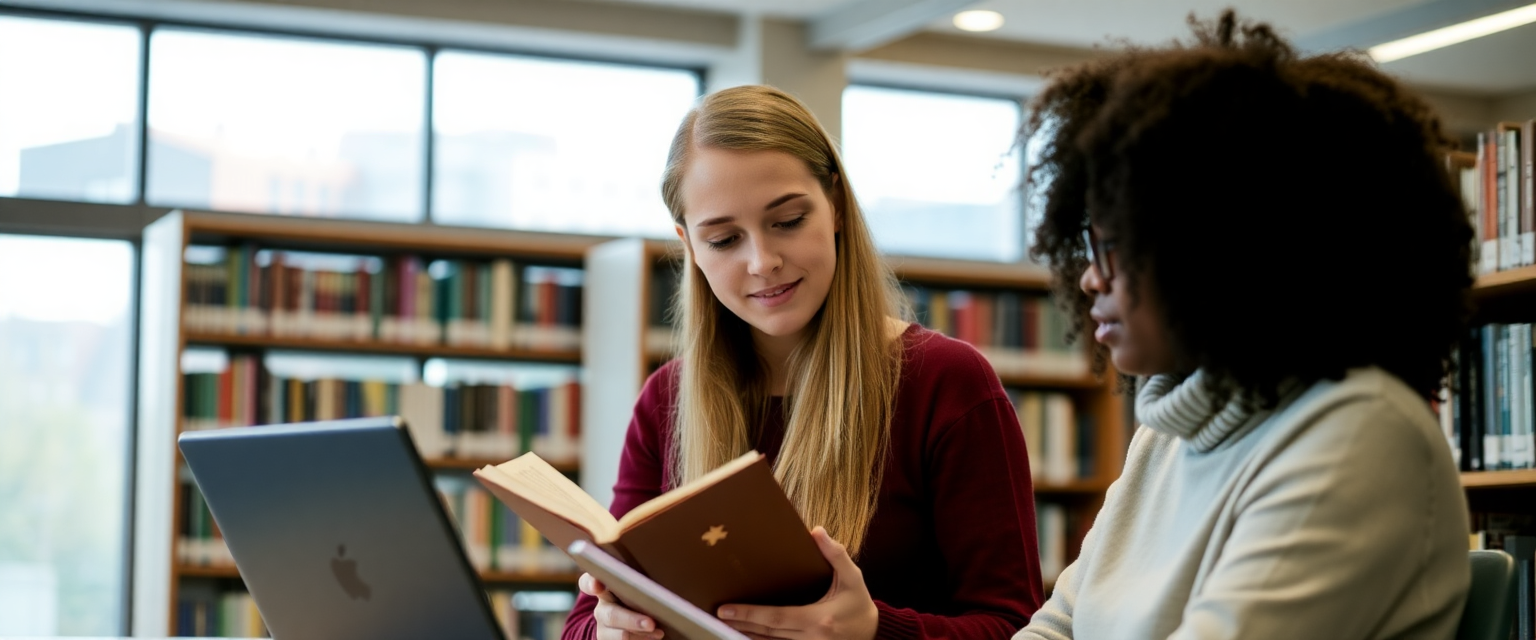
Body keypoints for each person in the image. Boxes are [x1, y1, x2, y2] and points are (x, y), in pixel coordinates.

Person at [1012, 11, 1474, 640]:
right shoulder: (1168, 435)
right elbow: (1057, 627)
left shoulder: (1360, 433)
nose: (1091, 278)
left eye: (1112, 245)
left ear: (1222, 254)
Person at [560, 85, 1045, 640]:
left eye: (787, 221)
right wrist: (609, 630)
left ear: (835, 205)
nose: (762, 262)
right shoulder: (668, 399)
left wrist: (874, 632)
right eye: (723, 239)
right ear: (689, 246)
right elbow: (583, 618)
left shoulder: (946, 383)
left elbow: (1017, 627)